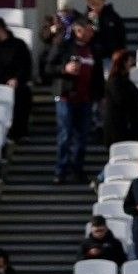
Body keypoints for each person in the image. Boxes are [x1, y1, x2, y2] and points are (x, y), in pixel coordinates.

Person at [46, 17, 102, 184]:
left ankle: (77, 169)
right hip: (66, 98)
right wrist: (65, 69)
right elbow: (48, 68)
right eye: (88, 30)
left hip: (85, 99)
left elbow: (97, 75)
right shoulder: (63, 46)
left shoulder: (94, 49)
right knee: (65, 135)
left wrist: (100, 95)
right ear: (79, 31)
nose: (92, 32)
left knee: (82, 137)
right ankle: (60, 170)